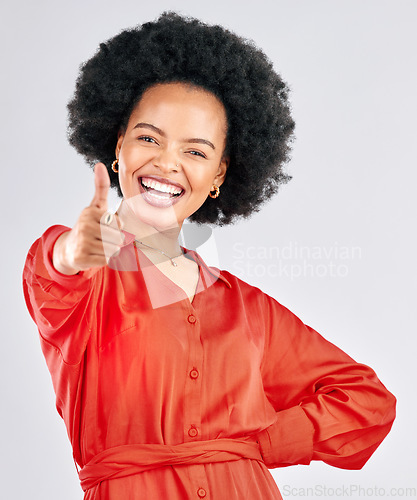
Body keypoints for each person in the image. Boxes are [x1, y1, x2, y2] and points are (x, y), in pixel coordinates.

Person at [22, 11, 396, 500]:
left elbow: (367, 403)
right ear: (119, 147)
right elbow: (56, 274)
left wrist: (254, 444)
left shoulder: (248, 309)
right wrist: (74, 252)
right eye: (148, 138)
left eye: (195, 152)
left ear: (219, 174)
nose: (167, 162)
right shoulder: (85, 281)